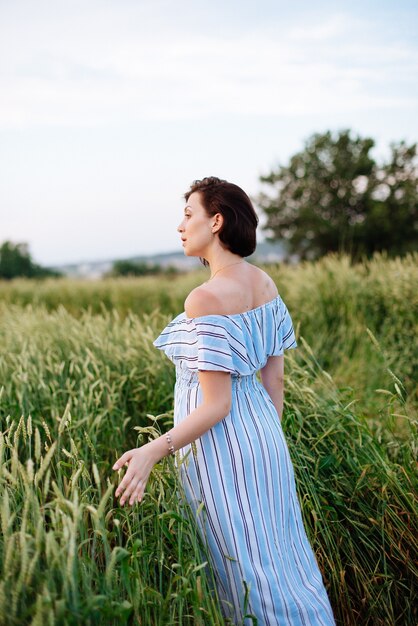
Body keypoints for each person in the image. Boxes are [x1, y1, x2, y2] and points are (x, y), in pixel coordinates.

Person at [113, 177, 335, 625]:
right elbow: (275, 382)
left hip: (221, 447)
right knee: (281, 559)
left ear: (216, 222)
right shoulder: (264, 282)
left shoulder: (205, 298)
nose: (180, 226)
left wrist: (153, 449)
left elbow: (217, 406)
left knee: (240, 569)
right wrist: (264, 446)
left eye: (188, 215)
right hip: (264, 438)